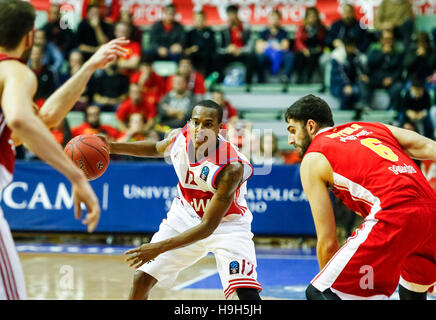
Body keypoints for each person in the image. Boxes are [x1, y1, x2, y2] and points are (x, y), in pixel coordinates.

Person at [0, 0, 127, 299]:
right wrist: (76, 176)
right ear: (30, 36)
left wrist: (87, 67)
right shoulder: (15, 72)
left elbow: (42, 121)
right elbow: (21, 118)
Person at [98, 99, 262, 300]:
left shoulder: (231, 167)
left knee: (245, 295)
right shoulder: (183, 136)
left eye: (208, 124)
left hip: (226, 226)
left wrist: (158, 247)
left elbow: (208, 226)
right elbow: (157, 148)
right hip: (185, 215)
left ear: (220, 128)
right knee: (142, 278)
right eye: (196, 122)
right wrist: (112, 147)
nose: (200, 129)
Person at [285, 94, 436, 300]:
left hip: (394, 213)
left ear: (310, 126)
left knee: (320, 291)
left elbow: (328, 240)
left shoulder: (313, 158)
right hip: (431, 212)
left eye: (293, 131)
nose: (290, 140)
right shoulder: (370, 127)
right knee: (412, 291)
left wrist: (329, 280)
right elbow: (427, 147)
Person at [359, 29, 404, 110]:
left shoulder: (397, 52)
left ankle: (392, 109)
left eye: (390, 39)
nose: (388, 41)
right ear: (381, 40)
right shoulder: (374, 49)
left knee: (399, 86)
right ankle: (365, 105)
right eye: (386, 39)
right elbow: (370, 63)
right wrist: (382, 53)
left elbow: (399, 69)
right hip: (374, 79)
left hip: (389, 81)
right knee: (362, 81)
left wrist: (392, 79)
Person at [214, 4, 256, 91]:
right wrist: (227, 49)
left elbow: (251, 45)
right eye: (229, 15)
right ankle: (219, 82)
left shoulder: (246, 27)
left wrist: (240, 50)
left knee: (252, 57)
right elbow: (219, 48)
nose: (231, 17)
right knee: (216, 57)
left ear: (237, 14)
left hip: (242, 53)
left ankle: (248, 83)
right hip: (229, 54)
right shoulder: (224, 29)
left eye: (233, 14)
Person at [255, 9, 294, 85]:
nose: (274, 20)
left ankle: (285, 78)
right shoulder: (264, 32)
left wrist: (269, 45)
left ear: (280, 20)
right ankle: (261, 79)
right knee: (260, 57)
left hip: (280, 54)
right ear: (269, 19)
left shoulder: (283, 32)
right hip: (267, 54)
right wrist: (273, 46)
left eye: (277, 18)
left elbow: (285, 46)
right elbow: (259, 48)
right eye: (273, 18)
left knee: (290, 55)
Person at [293, 7, 327, 84]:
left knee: (313, 57)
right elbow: (298, 41)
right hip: (304, 49)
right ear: (306, 17)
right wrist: (304, 49)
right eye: (310, 16)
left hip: (316, 50)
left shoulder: (321, 29)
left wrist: (320, 48)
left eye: (314, 16)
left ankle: (308, 78)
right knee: (299, 55)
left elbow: (324, 42)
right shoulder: (302, 28)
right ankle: (299, 77)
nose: (312, 18)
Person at [184, 10, 216, 76]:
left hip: (206, 57)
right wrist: (190, 50)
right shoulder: (190, 33)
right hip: (193, 57)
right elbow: (186, 48)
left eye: (200, 19)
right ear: (194, 20)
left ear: (204, 20)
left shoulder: (210, 32)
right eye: (197, 19)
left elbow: (212, 46)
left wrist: (198, 48)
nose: (199, 21)